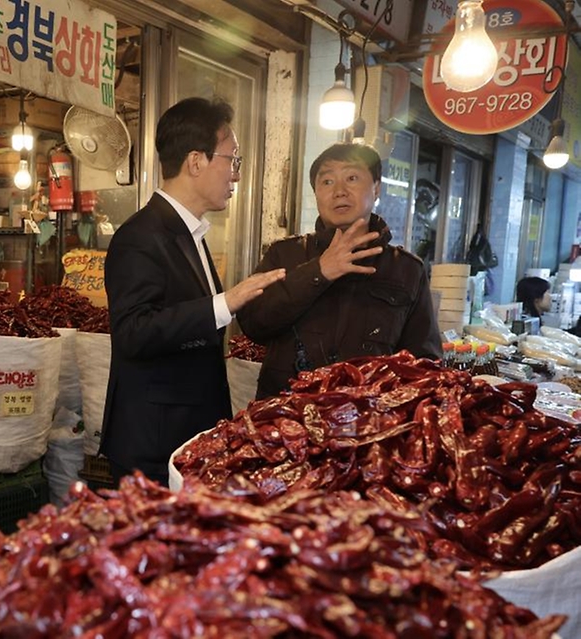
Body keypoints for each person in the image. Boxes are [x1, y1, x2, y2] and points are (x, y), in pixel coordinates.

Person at [99, 97, 286, 486]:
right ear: (196, 161)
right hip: (152, 443)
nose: (236, 175)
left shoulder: (191, 233)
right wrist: (225, 303)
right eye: (232, 160)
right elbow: (134, 332)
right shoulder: (139, 237)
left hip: (185, 435)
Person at [239, 142, 442, 399]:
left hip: (367, 423)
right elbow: (253, 323)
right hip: (284, 421)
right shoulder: (283, 254)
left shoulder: (406, 269)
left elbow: (424, 365)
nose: (339, 191)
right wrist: (318, 271)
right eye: (327, 182)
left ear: (376, 188)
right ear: (316, 193)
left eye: (352, 178)